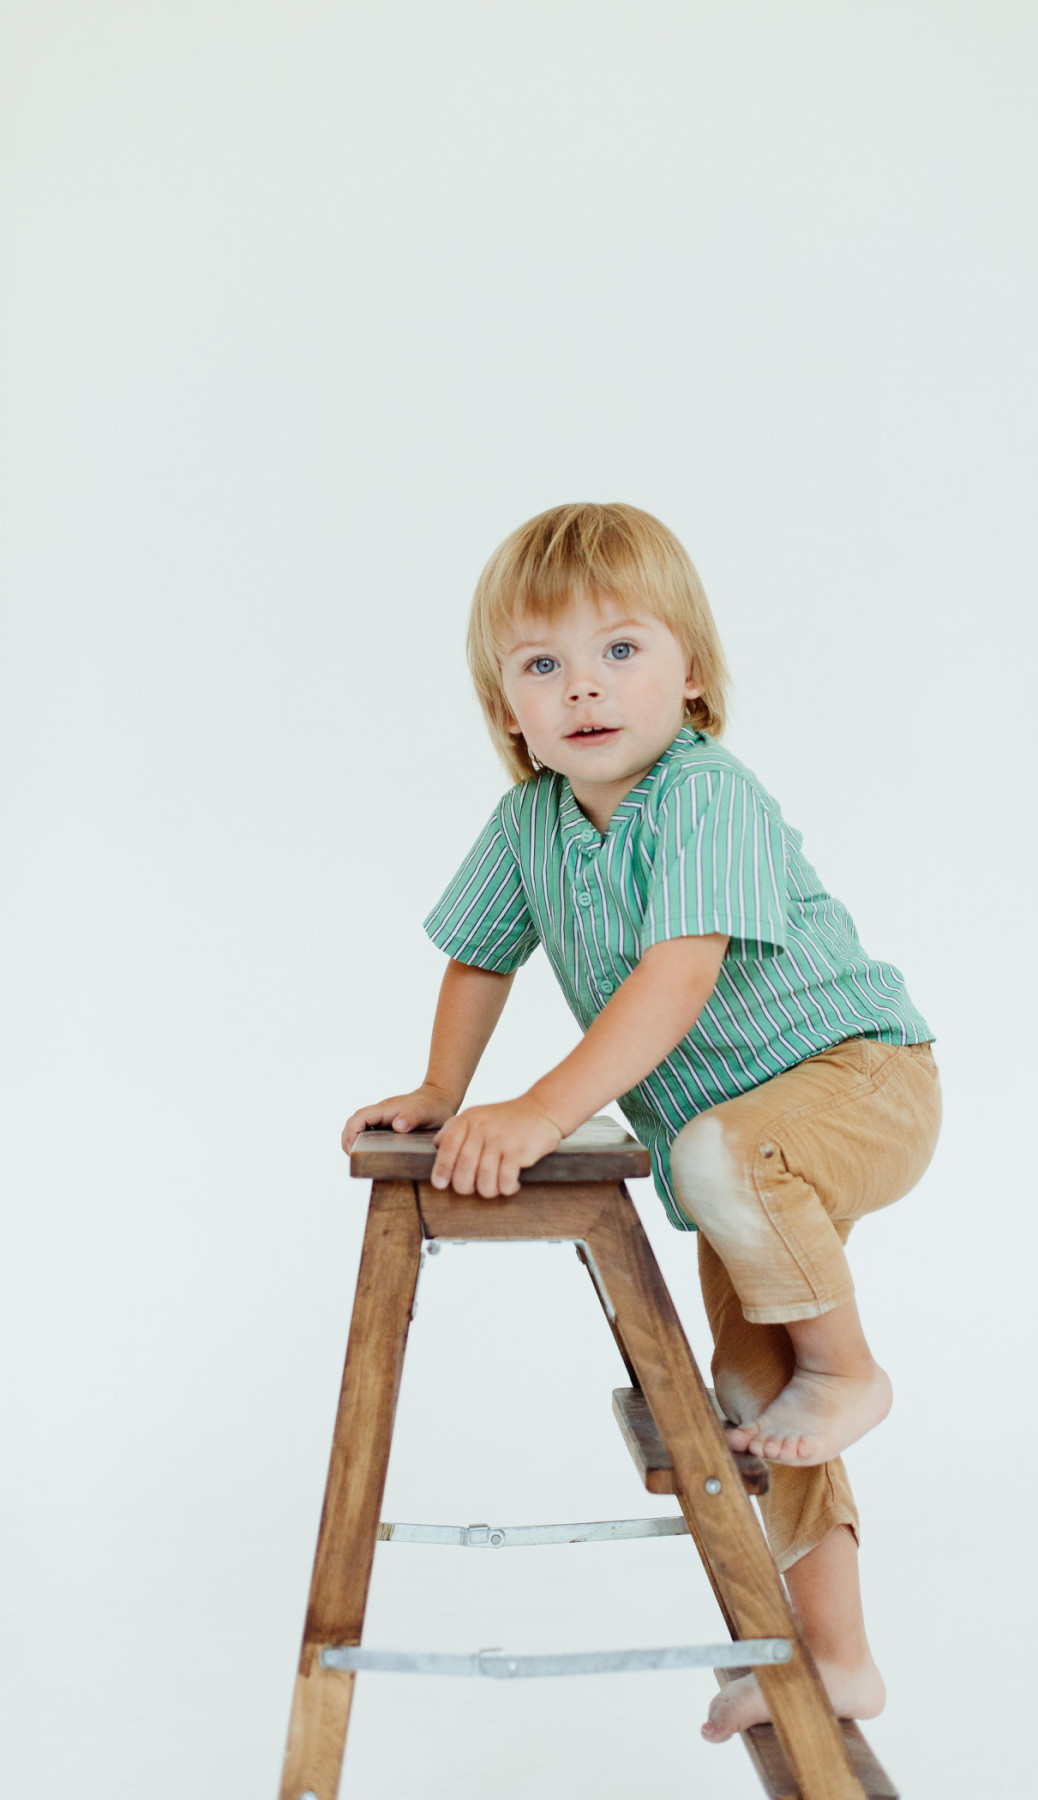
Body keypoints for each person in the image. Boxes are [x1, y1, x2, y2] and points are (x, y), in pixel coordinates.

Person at [341, 501, 942, 1739]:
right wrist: (444, 1091)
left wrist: (542, 1106)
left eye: (621, 649)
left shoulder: (707, 796)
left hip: (859, 1079)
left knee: (724, 1167)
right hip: (737, 1151)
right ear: (507, 707)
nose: (584, 687)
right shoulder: (530, 824)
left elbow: (677, 974)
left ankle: (853, 1369)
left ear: (694, 674)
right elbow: (479, 957)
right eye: (542, 665)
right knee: (757, 1395)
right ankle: (838, 1657)